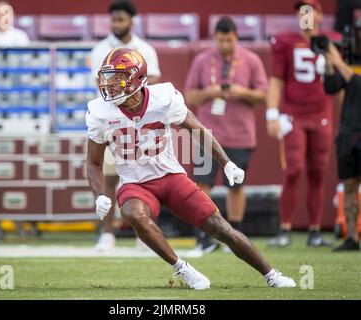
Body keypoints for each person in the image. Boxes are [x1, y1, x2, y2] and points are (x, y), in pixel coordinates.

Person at [85, 47, 296, 290]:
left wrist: (226, 163)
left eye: (118, 78)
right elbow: (93, 162)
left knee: (219, 227)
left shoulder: (163, 98)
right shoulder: (100, 112)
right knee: (133, 214)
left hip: (171, 177)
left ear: (136, 78)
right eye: (108, 78)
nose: (110, 85)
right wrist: (99, 193)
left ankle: (270, 274)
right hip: (135, 183)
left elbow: (198, 130)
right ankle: (182, 268)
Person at [184, 16, 268, 255]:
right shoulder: (201, 60)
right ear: (214, 38)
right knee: (202, 184)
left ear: (236, 37)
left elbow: (263, 94)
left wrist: (243, 92)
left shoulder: (251, 59)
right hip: (206, 133)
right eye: (220, 40)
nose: (224, 45)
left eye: (229, 40)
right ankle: (204, 236)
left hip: (240, 134)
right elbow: (189, 97)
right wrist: (210, 92)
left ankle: (235, 234)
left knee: (236, 185)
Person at [267, 0, 341, 247]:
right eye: (302, 12)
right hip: (293, 114)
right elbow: (277, 80)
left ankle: (315, 231)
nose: (305, 16)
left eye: (310, 11)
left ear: (320, 16)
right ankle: (285, 229)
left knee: (318, 172)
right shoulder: (285, 41)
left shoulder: (331, 40)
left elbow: (340, 81)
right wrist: (271, 113)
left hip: (322, 114)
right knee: (294, 168)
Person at [89, 0, 161, 251]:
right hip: (111, 120)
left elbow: (152, 81)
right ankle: (107, 234)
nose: (116, 24)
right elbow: (99, 84)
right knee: (109, 176)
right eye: (114, 19)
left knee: (144, 176)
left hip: (141, 122)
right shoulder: (100, 49)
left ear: (131, 20)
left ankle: (144, 233)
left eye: (121, 19)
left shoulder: (146, 49)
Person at [324, 43, 361, 251]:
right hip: (349, 134)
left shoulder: (350, 70)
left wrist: (337, 61)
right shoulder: (351, 66)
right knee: (349, 186)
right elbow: (331, 87)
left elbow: (357, 84)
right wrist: (329, 65)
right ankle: (352, 237)